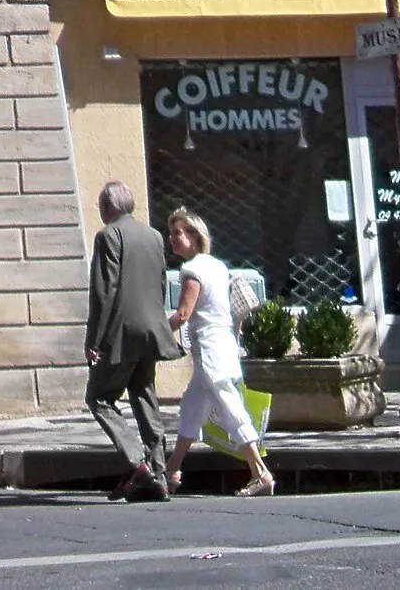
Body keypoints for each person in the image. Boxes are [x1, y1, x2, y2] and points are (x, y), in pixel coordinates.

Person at [163, 209, 276, 497]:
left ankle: (260, 472)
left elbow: (184, 313)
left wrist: (156, 332)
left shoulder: (192, 271)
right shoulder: (217, 266)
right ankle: (171, 471)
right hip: (220, 348)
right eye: (171, 232)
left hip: (211, 352)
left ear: (193, 236)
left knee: (231, 409)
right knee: (192, 408)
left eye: (177, 233)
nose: (172, 239)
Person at [84, 179, 179, 500]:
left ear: (108, 207)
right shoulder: (153, 236)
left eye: (100, 205)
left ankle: (138, 466)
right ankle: (159, 474)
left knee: (99, 398)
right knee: (143, 395)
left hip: (121, 333)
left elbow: (104, 291)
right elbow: (161, 283)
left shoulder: (108, 235)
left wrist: (94, 339)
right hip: (151, 330)